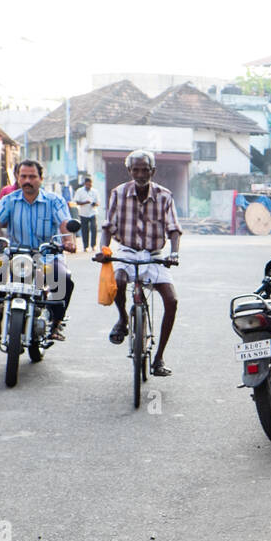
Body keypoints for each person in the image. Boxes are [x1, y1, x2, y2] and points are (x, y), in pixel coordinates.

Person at [0, 159, 76, 345]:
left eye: (32, 176)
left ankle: (57, 322)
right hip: (14, 254)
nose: (28, 180)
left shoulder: (54, 201)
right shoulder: (9, 200)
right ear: (18, 178)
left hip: (47, 255)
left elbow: (64, 223)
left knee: (64, 278)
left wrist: (68, 241)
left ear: (41, 179)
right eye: (24, 176)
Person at [97, 150, 181, 377]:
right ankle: (123, 319)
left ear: (153, 171)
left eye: (145, 169)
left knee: (171, 301)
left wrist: (174, 253)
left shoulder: (165, 195)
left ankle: (159, 358)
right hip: (126, 250)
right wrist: (103, 251)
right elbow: (107, 227)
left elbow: (174, 230)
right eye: (136, 169)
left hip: (154, 254)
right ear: (130, 171)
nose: (141, 174)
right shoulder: (119, 193)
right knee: (119, 280)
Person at [73, 176, 99, 251]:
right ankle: (85, 246)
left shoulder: (95, 191)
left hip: (92, 212)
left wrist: (94, 204)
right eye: (87, 185)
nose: (89, 186)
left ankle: (93, 245)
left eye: (90, 185)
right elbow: (76, 202)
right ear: (85, 184)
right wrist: (85, 202)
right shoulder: (79, 191)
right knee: (85, 230)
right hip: (83, 213)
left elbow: (98, 202)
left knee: (94, 228)